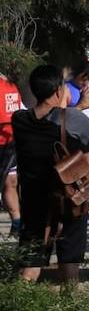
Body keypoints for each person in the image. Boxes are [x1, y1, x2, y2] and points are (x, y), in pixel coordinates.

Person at [12, 64, 89, 283]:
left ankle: (18, 310)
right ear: (59, 91)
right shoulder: (71, 118)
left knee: (31, 264)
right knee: (69, 262)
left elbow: (52, 118)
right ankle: (71, 306)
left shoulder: (19, 120)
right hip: (67, 197)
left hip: (34, 200)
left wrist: (78, 105)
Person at [0, 70, 24, 235]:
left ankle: (17, 223)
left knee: (11, 181)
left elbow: (20, 109)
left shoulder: (9, 83)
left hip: (10, 142)